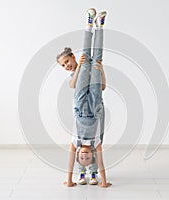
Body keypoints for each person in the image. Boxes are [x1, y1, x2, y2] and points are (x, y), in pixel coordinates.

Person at [56, 8, 111, 188]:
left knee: (90, 59)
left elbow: (101, 86)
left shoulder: (76, 141)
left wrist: (100, 70)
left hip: (86, 105)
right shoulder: (73, 74)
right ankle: (100, 27)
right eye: (63, 65)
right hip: (93, 105)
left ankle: (89, 25)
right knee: (96, 59)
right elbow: (74, 84)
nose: (66, 66)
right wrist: (79, 67)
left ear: (72, 56)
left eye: (67, 62)